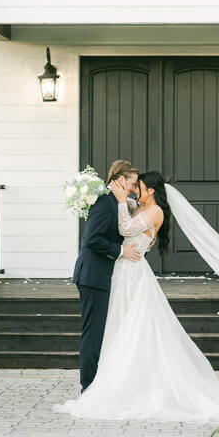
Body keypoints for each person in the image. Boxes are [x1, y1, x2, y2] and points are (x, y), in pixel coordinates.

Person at [57, 170, 219, 431]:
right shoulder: (137, 206)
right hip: (122, 273)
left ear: (150, 190)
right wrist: (123, 202)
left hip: (133, 276)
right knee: (123, 329)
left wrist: (120, 202)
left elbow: (124, 228)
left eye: (140, 186)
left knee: (133, 328)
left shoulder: (156, 211)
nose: (136, 189)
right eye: (134, 185)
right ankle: (117, 382)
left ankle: (132, 386)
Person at [71, 158, 142, 391]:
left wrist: (131, 204)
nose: (133, 187)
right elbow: (92, 239)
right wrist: (121, 250)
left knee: (101, 332)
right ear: (120, 180)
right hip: (93, 277)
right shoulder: (104, 202)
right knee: (93, 333)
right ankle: (88, 386)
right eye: (131, 183)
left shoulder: (115, 200)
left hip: (102, 276)